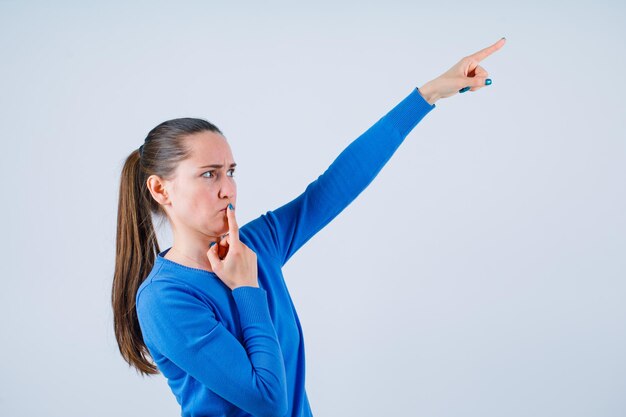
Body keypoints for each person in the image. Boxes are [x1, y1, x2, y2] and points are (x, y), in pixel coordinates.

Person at [111, 37, 506, 417]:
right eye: (209, 175)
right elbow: (268, 400)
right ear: (161, 188)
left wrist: (429, 94)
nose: (228, 190)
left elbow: (332, 188)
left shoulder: (257, 245)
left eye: (231, 172)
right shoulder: (165, 299)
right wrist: (246, 287)